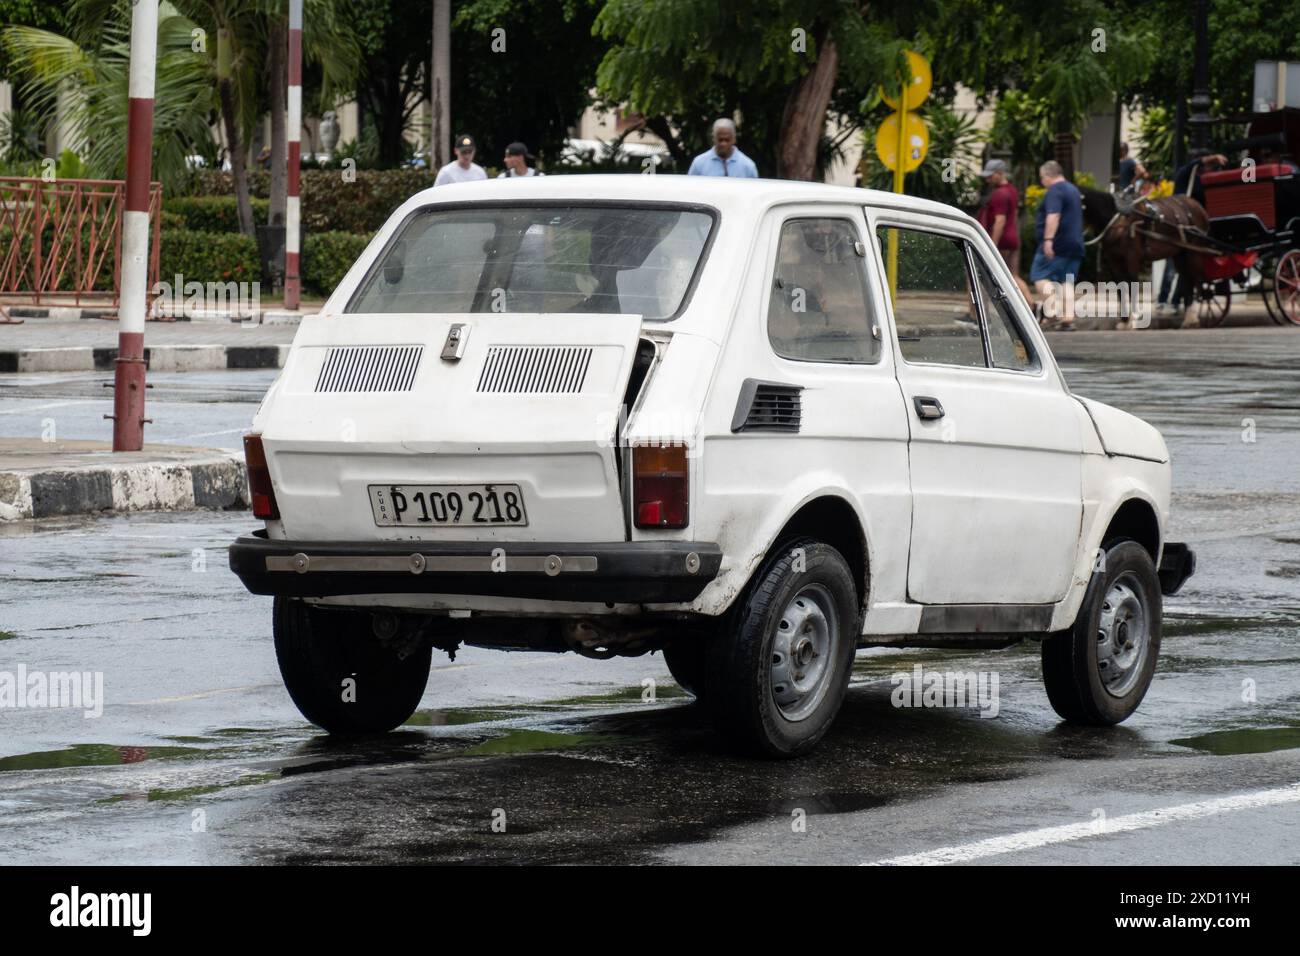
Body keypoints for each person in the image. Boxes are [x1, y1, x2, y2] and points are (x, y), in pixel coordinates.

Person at [1155, 149, 1228, 314]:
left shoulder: (1205, 179)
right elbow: (1195, 165)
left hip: (1196, 228)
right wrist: (1214, 156)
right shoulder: (1186, 173)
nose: (1209, 169)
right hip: (1178, 226)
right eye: (1208, 165)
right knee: (1171, 268)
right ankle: (1162, 300)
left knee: (1186, 268)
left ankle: (1175, 301)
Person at [1030, 160, 1085, 330]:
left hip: (1057, 244)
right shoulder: (1073, 189)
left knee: (1039, 275)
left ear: (1048, 175)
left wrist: (1048, 240)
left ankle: (1053, 312)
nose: (1042, 182)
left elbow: (1053, 215)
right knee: (1066, 281)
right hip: (1075, 244)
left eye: (1042, 178)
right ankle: (1068, 318)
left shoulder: (1055, 191)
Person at [976, 159, 1032, 303]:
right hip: (1012, 238)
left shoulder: (999, 194)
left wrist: (992, 244)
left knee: (980, 275)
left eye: (991, 175)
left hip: (1001, 241)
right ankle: (1032, 305)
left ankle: (975, 315)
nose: (987, 179)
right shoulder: (1012, 190)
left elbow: (999, 221)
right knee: (1013, 275)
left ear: (1000, 173)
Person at [687, 118, 759, 177]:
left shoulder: (747, 166)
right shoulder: (699, 164)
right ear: (713, 139)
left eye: (727, 140)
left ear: (734, 139)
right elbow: (690, 191)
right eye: (720, 140)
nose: (723, 144)